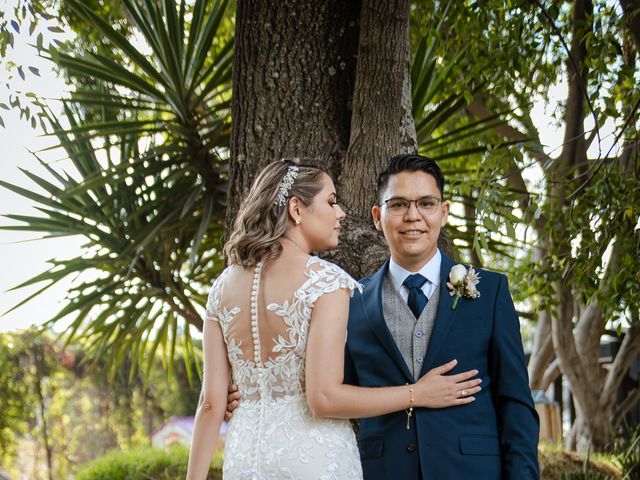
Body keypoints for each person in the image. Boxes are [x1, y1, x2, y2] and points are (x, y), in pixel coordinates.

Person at [186, 160, 482, 480]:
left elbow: (211, 405)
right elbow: (324, 398)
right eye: (331, 201)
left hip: (243, 462)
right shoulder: (325, 282)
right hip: (314, 461)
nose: (340, 212)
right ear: (296, 209)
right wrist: (417, 393)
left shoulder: (222, 286)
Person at [344, 154, 540, 479]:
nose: (412, 216)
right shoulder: (351, 300)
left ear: (444, 212)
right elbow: (334, 392)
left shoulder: (490, 292)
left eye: (426, 203)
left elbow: (515, 402)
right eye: (398, 205)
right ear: (378, 216)